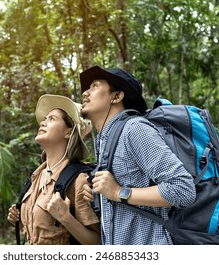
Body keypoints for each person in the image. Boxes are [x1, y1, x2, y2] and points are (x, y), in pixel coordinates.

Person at [80, 65, 196, 245]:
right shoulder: (104, 141)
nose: (85, 93)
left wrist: (119, 192)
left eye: (95, 86)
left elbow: (183, 189)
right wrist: (99, 196)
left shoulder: (134, 129)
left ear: (116, 96)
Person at [7, 94, 100, 245]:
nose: (43, 122)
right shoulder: (36, 177)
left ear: (68, 132)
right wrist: (20, 217)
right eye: (45, 119)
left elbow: (97, 243)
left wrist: (66, 218)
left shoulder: (78, 180)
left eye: (52, 119)